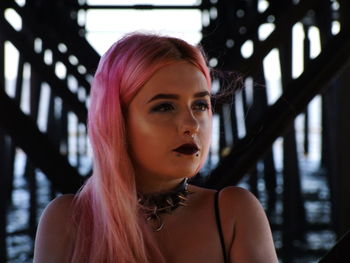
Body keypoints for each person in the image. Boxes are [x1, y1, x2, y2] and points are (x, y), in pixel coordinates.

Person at [33, 33, 278, 263]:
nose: (191, 125)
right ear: (117, 121)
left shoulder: (233, 214)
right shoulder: (66, 220)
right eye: (164, 107)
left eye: (201, 105)